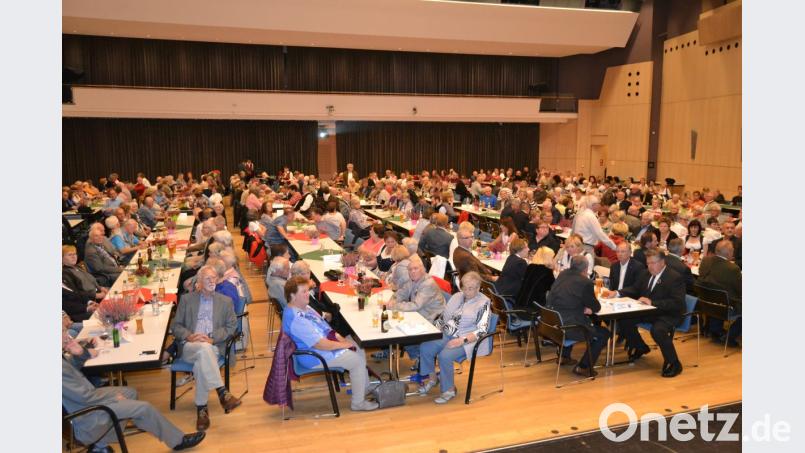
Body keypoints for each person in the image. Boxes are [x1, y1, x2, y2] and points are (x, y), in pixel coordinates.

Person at [62, 331, 207, 452]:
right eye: (63, 332)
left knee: (130, 393)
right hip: (83, 418)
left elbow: (73, 373)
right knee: (143, 408)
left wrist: (80, 353)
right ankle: (178, 441)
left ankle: (100, 445)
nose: (68, 335)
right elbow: (85, 397)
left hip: (82, 402)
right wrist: (114, 400)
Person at [283, 276, 379, 411]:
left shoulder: (303, 307)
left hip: (322, 346)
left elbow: (325, 328)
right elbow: (320, 344)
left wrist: (341, 339)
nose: (307, 294)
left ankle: (364, 387)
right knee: (356, 361)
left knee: (358, 346)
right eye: (303, 292)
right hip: (314, 356)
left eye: (307, 290)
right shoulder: (296, 319)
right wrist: (344, 345)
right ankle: (358, 403)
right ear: (292, 296)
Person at [170, 266, 242, 431]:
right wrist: (189, 335)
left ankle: (202, 409)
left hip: (213, 346)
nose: (212, 281)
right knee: (203, 350)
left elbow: (232, 327)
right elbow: (176, 326)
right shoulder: (187, 300)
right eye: (208, 278)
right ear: (200, 282)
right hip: (190, 346)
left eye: (214, 277)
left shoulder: (225, 301)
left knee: (201, 362)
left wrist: (212, 338)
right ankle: (222, 391)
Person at [603, 250, 686, 377]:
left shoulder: (674, 277)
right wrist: (617, 293)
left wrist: (653, 302)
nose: (650, 266)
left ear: (662, 262)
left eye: (653, 263)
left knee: (658, 330)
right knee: (624, 319)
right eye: (648, 263)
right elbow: (635, 289)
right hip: (649, 310)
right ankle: (641, 347)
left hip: (669, 313)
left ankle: (674, 363)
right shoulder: (646, 273)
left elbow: (677, 303)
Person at [418, 272, 492, 404]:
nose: (466, 292)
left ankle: (449, 390)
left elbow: (482, 330)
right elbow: (444, 317)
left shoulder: (483, 303)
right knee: (426, 347)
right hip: (447, 334)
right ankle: (433, 379)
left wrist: (461, 341)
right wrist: (432, 330)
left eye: (470, 288)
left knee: (444, 356)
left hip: (467, 340)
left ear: (478, 287)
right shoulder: (457, 296)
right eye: (464, 287)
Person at [547, 256, 611, 376]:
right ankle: (583, 367)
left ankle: (564, 357)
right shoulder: (585, 282)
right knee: (604, 333)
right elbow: (596, 307)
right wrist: (588, 308)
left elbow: (567, 298)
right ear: (586, 269)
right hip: (568, 327)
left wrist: (581, 306)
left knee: (571, 316)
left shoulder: (563, 274)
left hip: (553, 323)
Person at [698, 240, 742, 344]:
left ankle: (716, 331)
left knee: (718, 296)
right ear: (729, 252)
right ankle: (729, 337)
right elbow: (740, 290)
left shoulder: (705, 261)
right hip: (725, 307)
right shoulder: (733, 269)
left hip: (706, 303)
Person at [387, 257, 446, 324]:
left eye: (416, 268)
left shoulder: (428, 284)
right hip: (420, 310)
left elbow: (416, 305)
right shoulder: (412, 279)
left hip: (432, 316)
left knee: (398, 322)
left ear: (422, 269)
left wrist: (395, 306)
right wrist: (393, 300)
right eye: (410, 269)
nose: (413, 271)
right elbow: (401, 293)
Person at [62, 245, 106, 322]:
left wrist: (100, 288)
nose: (73, 257)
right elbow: (77, 294)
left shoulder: (77, 267)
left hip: (90, 299)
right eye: (70, 255)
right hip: (81, 308)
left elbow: (90, 281)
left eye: (75, 254)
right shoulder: (65, 274)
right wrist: (91, 301)